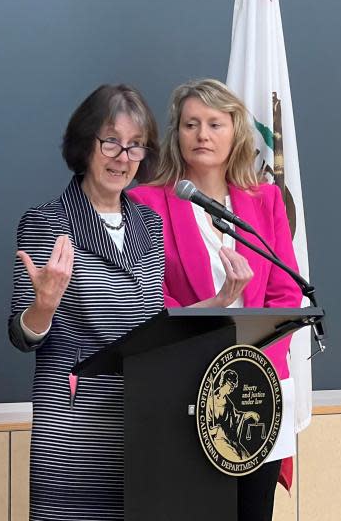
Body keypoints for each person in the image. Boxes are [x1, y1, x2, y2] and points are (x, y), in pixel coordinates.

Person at [128, 78, 302, 521]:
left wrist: (253, 358)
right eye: (191, 124)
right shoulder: (144, 203)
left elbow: (284, 294)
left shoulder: (265, 201)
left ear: (236, 133)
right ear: (177, 134)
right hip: (182, 393)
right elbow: (145, 300)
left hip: (257, 386)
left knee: (252, 513)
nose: (202, 134)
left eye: (214, 124)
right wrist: (217, 306)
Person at [9, 84, 163, 520]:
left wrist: (219, 302)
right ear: (85, 143)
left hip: (144, 428)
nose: (123, 157)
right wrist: (45, 305)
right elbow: (23, 337)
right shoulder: (46, 222)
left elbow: (154, 325)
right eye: (111, 141)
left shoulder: (149, 224)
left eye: (136, 146)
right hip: (75, 436)